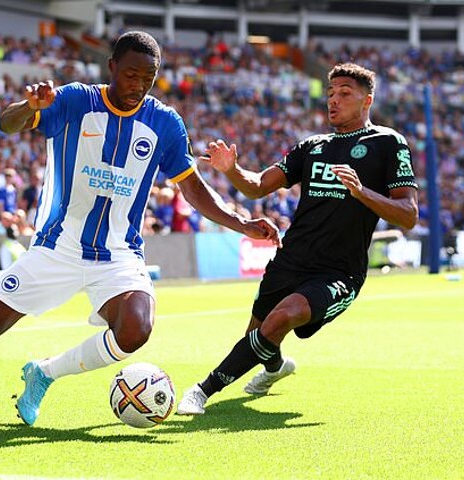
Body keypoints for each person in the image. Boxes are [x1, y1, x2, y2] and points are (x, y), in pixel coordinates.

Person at [0, 31, 280, 424]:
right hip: (57, 248)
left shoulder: (165, 123)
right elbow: (6, 123)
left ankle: (44, 374)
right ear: (111, 66)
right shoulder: (74, 100)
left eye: (148, 78)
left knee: (136, 328)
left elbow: (192, 188)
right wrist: (29, 106)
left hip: (118, 254)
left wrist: (241, 223)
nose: (138, 86)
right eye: (131, 75)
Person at [176, 63, 419, 415]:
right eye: (331, 93)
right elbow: (257, 186)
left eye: (345, 94)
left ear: (367, 101)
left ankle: (201, 390)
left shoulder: (388, 143)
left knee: (282, 317)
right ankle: (275, 368)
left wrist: (361, 191)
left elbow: (408, 215)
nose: (333, 100)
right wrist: (231, 170)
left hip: (339, 271)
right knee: (260, 336)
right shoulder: (312, 146)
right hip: (290, 260)